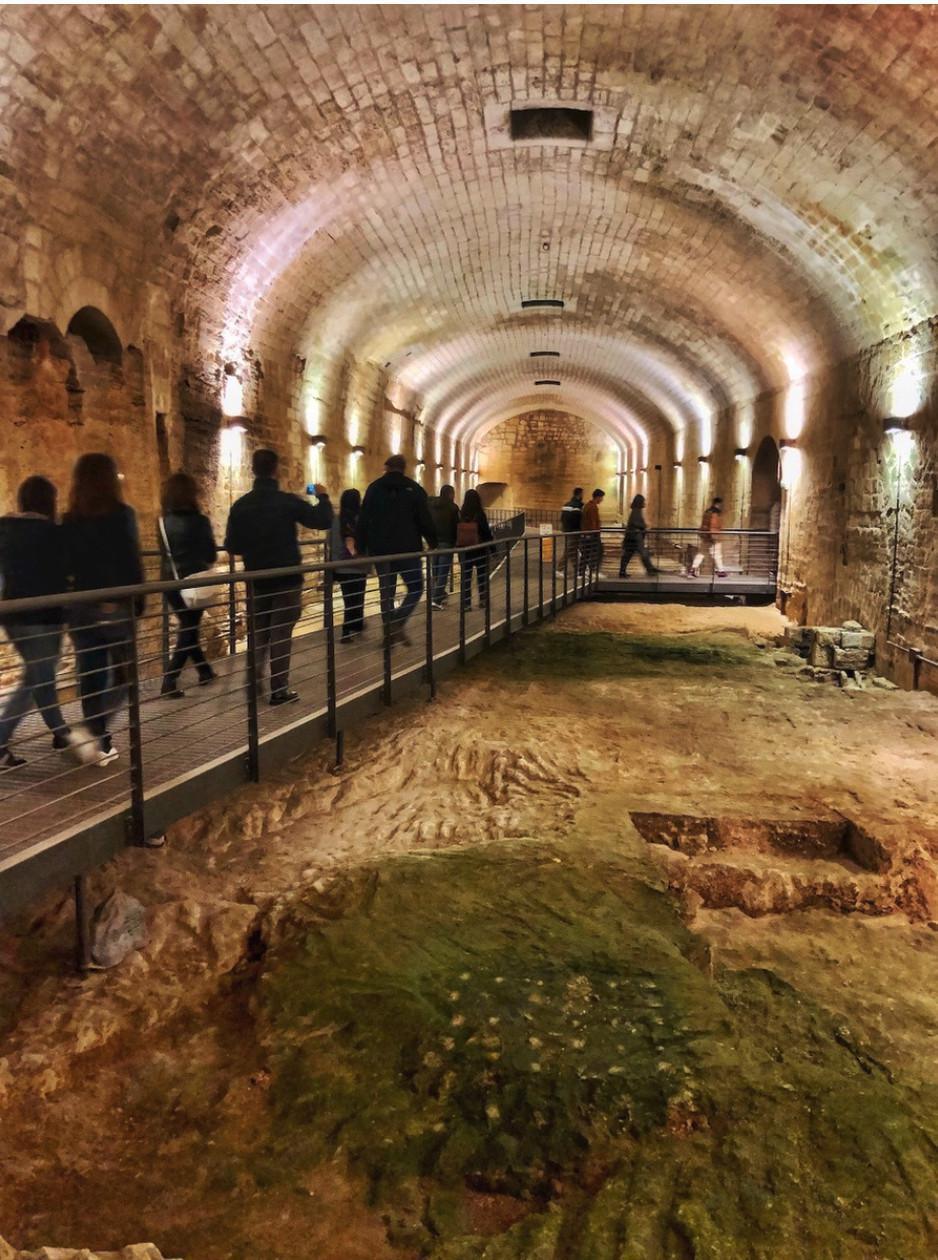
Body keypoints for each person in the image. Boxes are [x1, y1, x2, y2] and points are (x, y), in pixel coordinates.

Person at [225, 448, 332, 705]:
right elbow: (323, 520)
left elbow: (233, 546)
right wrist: (323, 496)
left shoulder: (241, 506)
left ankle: (253, 683)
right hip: (286, 579)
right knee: (281, 632)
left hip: (257, 580)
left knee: (258, 632)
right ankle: (279, 689)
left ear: (253, 470)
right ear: (276, 470)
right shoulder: (287, 502)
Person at [63, 453, 145, 765]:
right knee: (126, 676)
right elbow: (130, 559)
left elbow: (66, 565)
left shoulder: (70, 519)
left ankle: (100, 746)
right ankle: (93, 730)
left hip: (81, 607)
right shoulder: (122, 514)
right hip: (114, 605)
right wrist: (138, 599)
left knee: (91, 676)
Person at [0, 476, 87, 769]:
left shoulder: (4, 528)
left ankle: (61, 732)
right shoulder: (53, 533)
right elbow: (69, 570)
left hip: (13, 615)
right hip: (44, 616)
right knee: (37, 677)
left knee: (41, 674)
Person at [356, 454, 437, 647]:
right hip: (408, 549)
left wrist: (361, 547)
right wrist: (432, 541)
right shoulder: (415, 489)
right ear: (404, 468)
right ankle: (398, 622)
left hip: (381, 549)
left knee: (387, 592)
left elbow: (364, 519)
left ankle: (389, 632)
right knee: (416, 587)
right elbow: (424, 519)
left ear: (386, 467)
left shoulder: (374, 488)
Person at [158, 472, 219, 698]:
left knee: (188, 628)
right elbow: (210, 554)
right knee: (189, 629)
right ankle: (169, 680)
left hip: (170, 583)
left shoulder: (162, 523)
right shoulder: (200, 521)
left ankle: (205, 671)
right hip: (194, 583)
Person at [328, 488, 366, 643]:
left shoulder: (336, 520)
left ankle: (354, 626)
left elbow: (331, 541)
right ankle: (348, 629)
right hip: (358, 565)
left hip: (342, 566)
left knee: (349, 599)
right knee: (358, 598)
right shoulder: (360, 520)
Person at [457, 488, 494, 612]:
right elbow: (486, 532)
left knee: (465, 578)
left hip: (465, 550)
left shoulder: (461, 513)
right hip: (480, 550)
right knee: (482, 576)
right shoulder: (480, 514)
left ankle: (466, 604)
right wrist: (493, 549)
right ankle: (483, 600)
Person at [428, 484, 460, 609]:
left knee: (435, 572)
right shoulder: (453, 508)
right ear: (450, 494)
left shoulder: (431, 506)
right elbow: (456, 527)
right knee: (442, 573)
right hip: (447, 543)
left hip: (434, 543)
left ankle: (437, 595)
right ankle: (436, 601)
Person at [619, 494, 660, 577]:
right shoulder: (636, 511)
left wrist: (644, 527)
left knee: (628, 554)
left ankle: (623, 571)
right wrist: (645, 527)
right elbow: (636, 523)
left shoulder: (636, 510)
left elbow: (635, 523)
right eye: (643, 501)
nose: (645, 503)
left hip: (632, 536)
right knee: (642, 553)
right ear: (640, 502)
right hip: (635, 537)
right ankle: (650, 569)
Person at [687, 496, 728, 578]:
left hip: (705, 536)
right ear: (718, 504)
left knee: (701, 553)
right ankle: (720, 571)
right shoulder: (715, 513)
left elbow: (704, 524)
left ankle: (693, 569)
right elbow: (713, 525)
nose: (722, 506)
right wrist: (714, 537)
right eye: (721, 504)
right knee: (717, 554)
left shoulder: (707, 512)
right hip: (712, 537)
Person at [579, 488, 605, 576]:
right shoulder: (593, 507)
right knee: (597, 551)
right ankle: (592, 571)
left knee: (586, 553)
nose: (602, 500)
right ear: (598, 497)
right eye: (602, 498)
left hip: (587, 534)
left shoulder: (587, 505)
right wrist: (595, 533)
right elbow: (593, 522)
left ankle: (582, 572)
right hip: (592, 534)